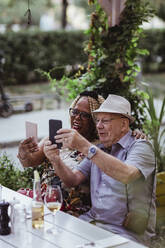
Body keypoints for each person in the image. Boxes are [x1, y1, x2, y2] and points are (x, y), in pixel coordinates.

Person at [43, 94, 156, 245]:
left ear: (123, 125)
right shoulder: (99, 149)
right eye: (97, 120)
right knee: (49, 239)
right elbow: (72, 180)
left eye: (105, 121)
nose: (99, 126)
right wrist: (55, 159)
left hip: (125, 233)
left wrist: (84, 145)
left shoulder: (141, 147)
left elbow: (128, 174)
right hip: (91, 223)